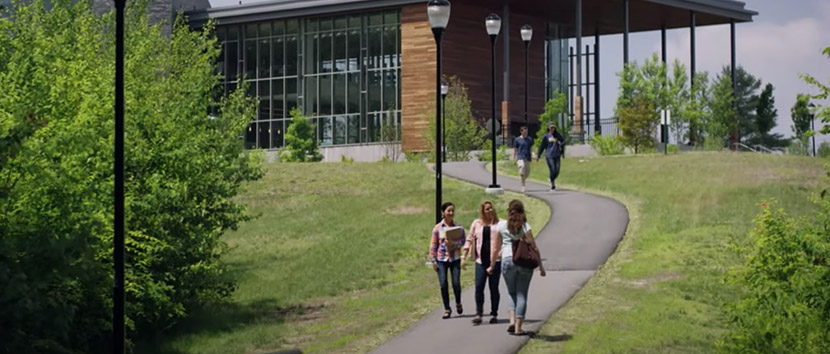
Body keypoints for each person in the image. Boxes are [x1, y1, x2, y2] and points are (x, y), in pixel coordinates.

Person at [488, 200, 546, 335]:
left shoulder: (501, 226)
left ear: (509, 210)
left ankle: (512, 322)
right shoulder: (525, 226)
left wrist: (491, 265)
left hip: (507, 260)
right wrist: (541, 266)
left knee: (511, 292)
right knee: (522, 294)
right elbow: (534, 247)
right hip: (523, 261)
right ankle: (519, 328)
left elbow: (496, 248)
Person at [461, 201, 501, 325]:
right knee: (479, 287)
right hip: (480, 261)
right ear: (483, 211)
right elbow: (469, 239)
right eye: (487, 209)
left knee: (493, 288)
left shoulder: (500, 224)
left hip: (495, 261)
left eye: (491, 208)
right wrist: (464, 257)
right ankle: (479, 313)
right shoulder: (477, 224)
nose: (490, 211)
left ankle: (494, 313)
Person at [430, 202, 466, 319]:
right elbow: (433, 244)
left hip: (455, 258)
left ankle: (458, 302)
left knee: (456, 283)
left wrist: (453, 243)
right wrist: (433, 260)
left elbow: (463, 242)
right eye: (448, 211)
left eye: (452, 211)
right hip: (441, 259)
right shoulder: (437, 228)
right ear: (443, 212)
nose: (451, 213)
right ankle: (447, 308)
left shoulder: (458, 228)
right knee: (443, 283)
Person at [536, 123, 566, 190]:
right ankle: (553, 184)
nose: (553, 129)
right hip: (549, 155)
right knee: (553, 169)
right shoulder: (546, 136)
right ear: (549, 128)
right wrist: (538, 155)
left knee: (557, 171)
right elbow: (542, 146)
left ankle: (551, 178)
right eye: (551, 127)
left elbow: (564, 141)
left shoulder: (557, 135)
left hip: (557, 155)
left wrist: (560, 143)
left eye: (553, 127)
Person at [513, 126, 533, 193]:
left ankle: (523, 179)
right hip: (520, 157)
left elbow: (531, 148)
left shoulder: (529, 139)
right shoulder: (517, 139)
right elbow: (515, 149)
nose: (525, 133)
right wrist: (515, 158)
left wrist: (533, 155)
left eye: (526, 132)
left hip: (527, 157)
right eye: (524, 132)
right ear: (521, 132)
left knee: (527, 173)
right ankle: (523, 186)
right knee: (522, 169)